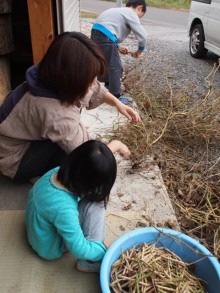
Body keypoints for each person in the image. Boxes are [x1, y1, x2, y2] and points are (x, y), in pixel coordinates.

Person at [0, 31, 141, 182]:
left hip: (15, 139)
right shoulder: (56, 113)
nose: (95, 84)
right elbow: (89, 155)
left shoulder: (49, 74)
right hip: (14, 160)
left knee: (73, 124)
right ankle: (41, 177)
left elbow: (94, 89)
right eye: (90, 80)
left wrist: (117, 103)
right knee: (76, 161)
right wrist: (116, 145)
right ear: (71, 79)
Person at [25, 139, 130, 273]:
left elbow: (91, 163)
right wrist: (106, 247)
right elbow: (79, 248)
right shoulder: (64, 208)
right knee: (97, 203)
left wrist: (117, 144)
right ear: (86, 182)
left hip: (40, 233)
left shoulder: (60, 172)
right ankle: (88, 263)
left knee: (95, 196)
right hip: (50, 246)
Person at [91, 0, 147, 105]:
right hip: (106, 37)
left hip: (96, 34)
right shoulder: (131, 13)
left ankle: (107, 86)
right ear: (139, 8)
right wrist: (140, 50)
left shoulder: (117, 11)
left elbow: (108, 29)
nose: (138, 19)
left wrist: (117, 46)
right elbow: (143, 36)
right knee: (116, 66)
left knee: (104, 62)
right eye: (140, 16)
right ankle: (116, 97)